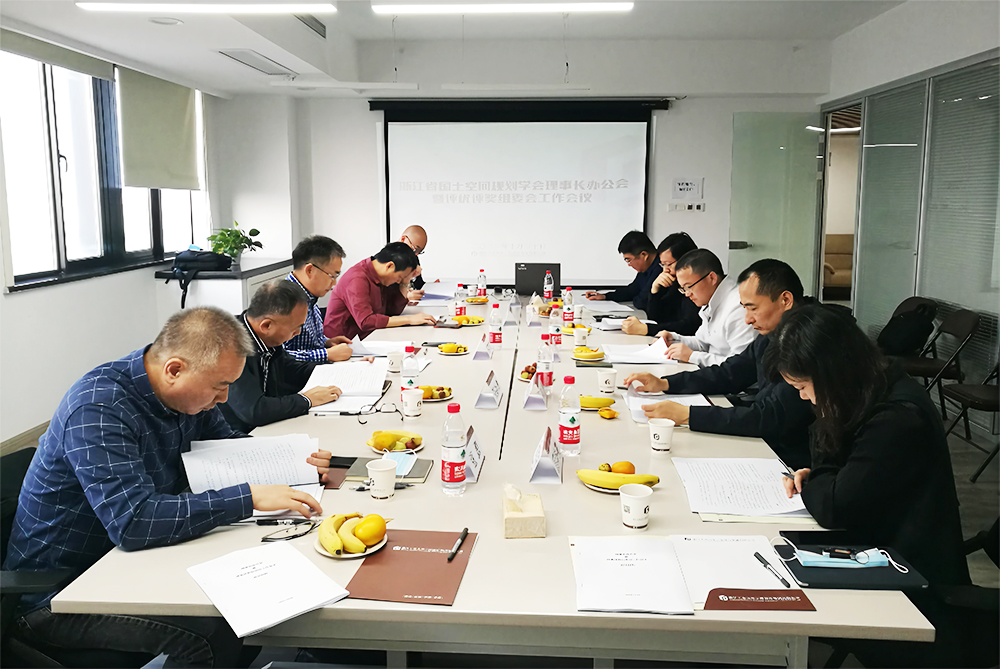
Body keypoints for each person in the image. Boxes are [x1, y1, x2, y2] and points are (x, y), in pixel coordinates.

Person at [4, 307, 326, 667]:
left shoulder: (185, 395)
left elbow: (227, 447)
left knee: (253, 607)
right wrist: (248, 498)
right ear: (174, 370)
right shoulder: (98, 407)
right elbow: (134, 521)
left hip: (127, 564)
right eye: (219, 386)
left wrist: (297, 462)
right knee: (215, 634)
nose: (224, 399)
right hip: (60, 594)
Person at [772, 305, 972, 667]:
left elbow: (836, 508)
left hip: (907, 584)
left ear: (831, 373)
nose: (803, 397)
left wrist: (819, 476)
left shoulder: (896, 417)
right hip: (875, 548)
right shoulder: (871, 388)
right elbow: (838, 477)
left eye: (802, 387)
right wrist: (823, 477)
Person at [623, 259, 814, 469]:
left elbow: (771, 417)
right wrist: (665, 383)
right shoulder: (774, 331)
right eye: (745, 309)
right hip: (768, 441)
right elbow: (732, 372)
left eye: (753, 308)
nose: (747, 319)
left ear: (785, 300)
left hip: (792, 459)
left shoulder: (809, 341)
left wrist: (688, 415)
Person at [220, 281, 346, 433]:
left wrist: (341, 370)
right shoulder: (231, 348)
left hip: (266, 428)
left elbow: (290, 370)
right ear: (266, 326)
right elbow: (254, 410)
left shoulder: (268, 339)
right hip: (237, 434)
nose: (298, 333)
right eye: (295, 328)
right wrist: (307, 400)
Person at [658, 248, 756, 367]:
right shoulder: (711, 300)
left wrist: (692, 356)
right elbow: (702, 344)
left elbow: (739, 366)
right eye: (683, 289)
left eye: (689, 287)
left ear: (712, 278)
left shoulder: (739, 307)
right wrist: (673, 339)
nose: (687, 294)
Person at [323, 241, 437, 340]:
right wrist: (409, 319)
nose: (398, 281)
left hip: (372, 337)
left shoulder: (381, 276)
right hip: (343, 345)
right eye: (399, 277)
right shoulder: (357, 279)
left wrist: (406, 281)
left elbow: (391, 311)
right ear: (389, 266)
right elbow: (366, 321)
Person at [284, 235, 354, 363]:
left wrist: (327, 342)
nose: (334, 283)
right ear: (310, 270)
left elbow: (307, 343)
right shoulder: (284, 300)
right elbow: (279, 358)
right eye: (332, 276)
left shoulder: (310, 296)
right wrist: (326, 354)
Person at [621, 232, 701, 337]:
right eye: (662, 265)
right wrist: (655, 290)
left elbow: (690, 326)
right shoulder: (673, 283)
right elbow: (656, 318)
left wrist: (647, 329)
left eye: (668, 264)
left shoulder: (696, 286)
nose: (665, 270)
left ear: (686, 261)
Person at [584, 231, 659, 311]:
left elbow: (642, 302)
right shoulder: (646, 269)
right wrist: (605, 296)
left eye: (629, 260)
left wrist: (636, 298)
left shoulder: (660, 269)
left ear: (644, 255)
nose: (629, 265)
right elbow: (632, 290)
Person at [398, 224, 429, 298]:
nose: (416, 254)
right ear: (403, 239)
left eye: (419, 252)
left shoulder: (414, 257)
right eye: (415, 249)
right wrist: (406, 296)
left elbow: (418, 284)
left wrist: (429, 286)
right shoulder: (388, 260)